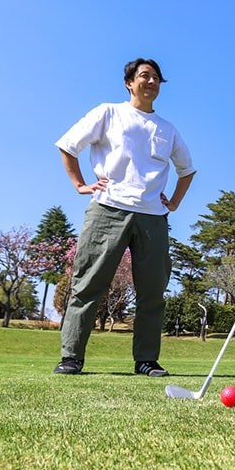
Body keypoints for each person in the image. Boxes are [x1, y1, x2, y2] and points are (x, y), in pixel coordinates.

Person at [52, 58, 196, 376]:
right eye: (144, 76)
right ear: (129, 83)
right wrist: (79, 184)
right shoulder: (108, 112)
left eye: (156, 77)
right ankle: (71, 357)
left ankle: (146, 360)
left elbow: (187, 170)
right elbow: (68, 145)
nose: (151, 81)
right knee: (87, 284)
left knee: (153, 293)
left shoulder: (167, 129)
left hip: (153, 218)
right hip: (107, 209)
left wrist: (172, 202)